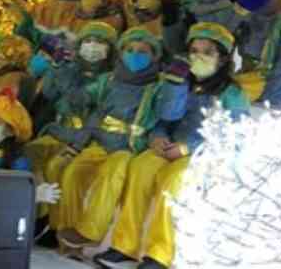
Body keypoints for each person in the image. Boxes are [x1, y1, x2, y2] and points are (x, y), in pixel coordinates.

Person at [94, 23, 250, 269]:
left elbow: (233, 134)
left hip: (204, 154)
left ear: (222, 59)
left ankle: (159, 254)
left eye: (207, 52)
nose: (198, 56)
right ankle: (124, 246)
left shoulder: (232, 92)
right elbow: (165, 117)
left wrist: (188, 147)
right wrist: (157, 135)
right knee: (140, 168)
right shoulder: (178, 80)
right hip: (169, 146)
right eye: (194, 50)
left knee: (174, 180)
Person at [54, 28, 187, 252]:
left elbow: (169, 114)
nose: (135, 55)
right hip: (98, 142)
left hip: (129, 147)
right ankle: (67, 234)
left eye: (143, 52)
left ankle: (90, 232)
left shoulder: (157, 86)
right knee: (73, 173)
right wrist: (63, 67)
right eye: (130, 50)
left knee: (113, 171)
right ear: (121, 53)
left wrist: (175, 85)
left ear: (155, 56)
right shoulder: (108, 80)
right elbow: (79, 98)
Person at [23, 21, 118, 229]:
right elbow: (49, 93)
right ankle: (30, 213)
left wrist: (61, 72)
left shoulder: (109, 78)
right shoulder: (72, 67)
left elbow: (79, 100)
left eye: (100, 42)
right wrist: (55, 68)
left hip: (83, 138)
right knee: (28, 155)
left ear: (111, 49)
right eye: (88, 41)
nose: (93, 46)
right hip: (59, 130)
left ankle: (52, 225)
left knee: (56, 165)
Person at [162, 0, 249, 55]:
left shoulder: (237, 12)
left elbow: (244, 46)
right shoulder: (188, 15)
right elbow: (176, 48)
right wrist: (170, 23)